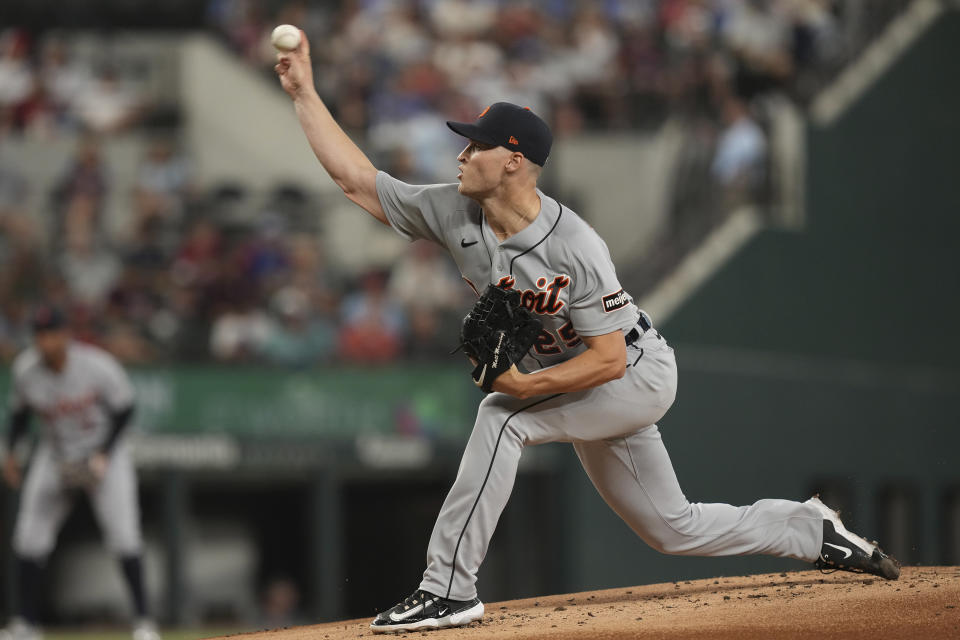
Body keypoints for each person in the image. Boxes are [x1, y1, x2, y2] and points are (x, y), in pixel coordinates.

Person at [274, 30, 900, 634]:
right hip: (581, 380)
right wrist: (304, 92)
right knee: (671, 528)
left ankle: (447, 590)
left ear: (514, 160)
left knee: (502, 417)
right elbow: (357, 181)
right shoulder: (452, 210)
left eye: (476, 147)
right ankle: (809, 530)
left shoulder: (576, 245)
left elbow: (605, 360)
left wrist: (520, 386)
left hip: (633, 371)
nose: (461, 155)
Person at [0, 305, 159, 640]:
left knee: (124, 536)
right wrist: (10, 453)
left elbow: (125, 408)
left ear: (65, 335)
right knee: (29, 536)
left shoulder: (96, 365)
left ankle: (144, 622)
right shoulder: (26, 371)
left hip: (103, 455)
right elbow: (18, 414)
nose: (45, 342)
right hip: (55, 456)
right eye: (39, 335)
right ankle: (26, 624)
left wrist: (103, 453)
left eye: (51, 334)